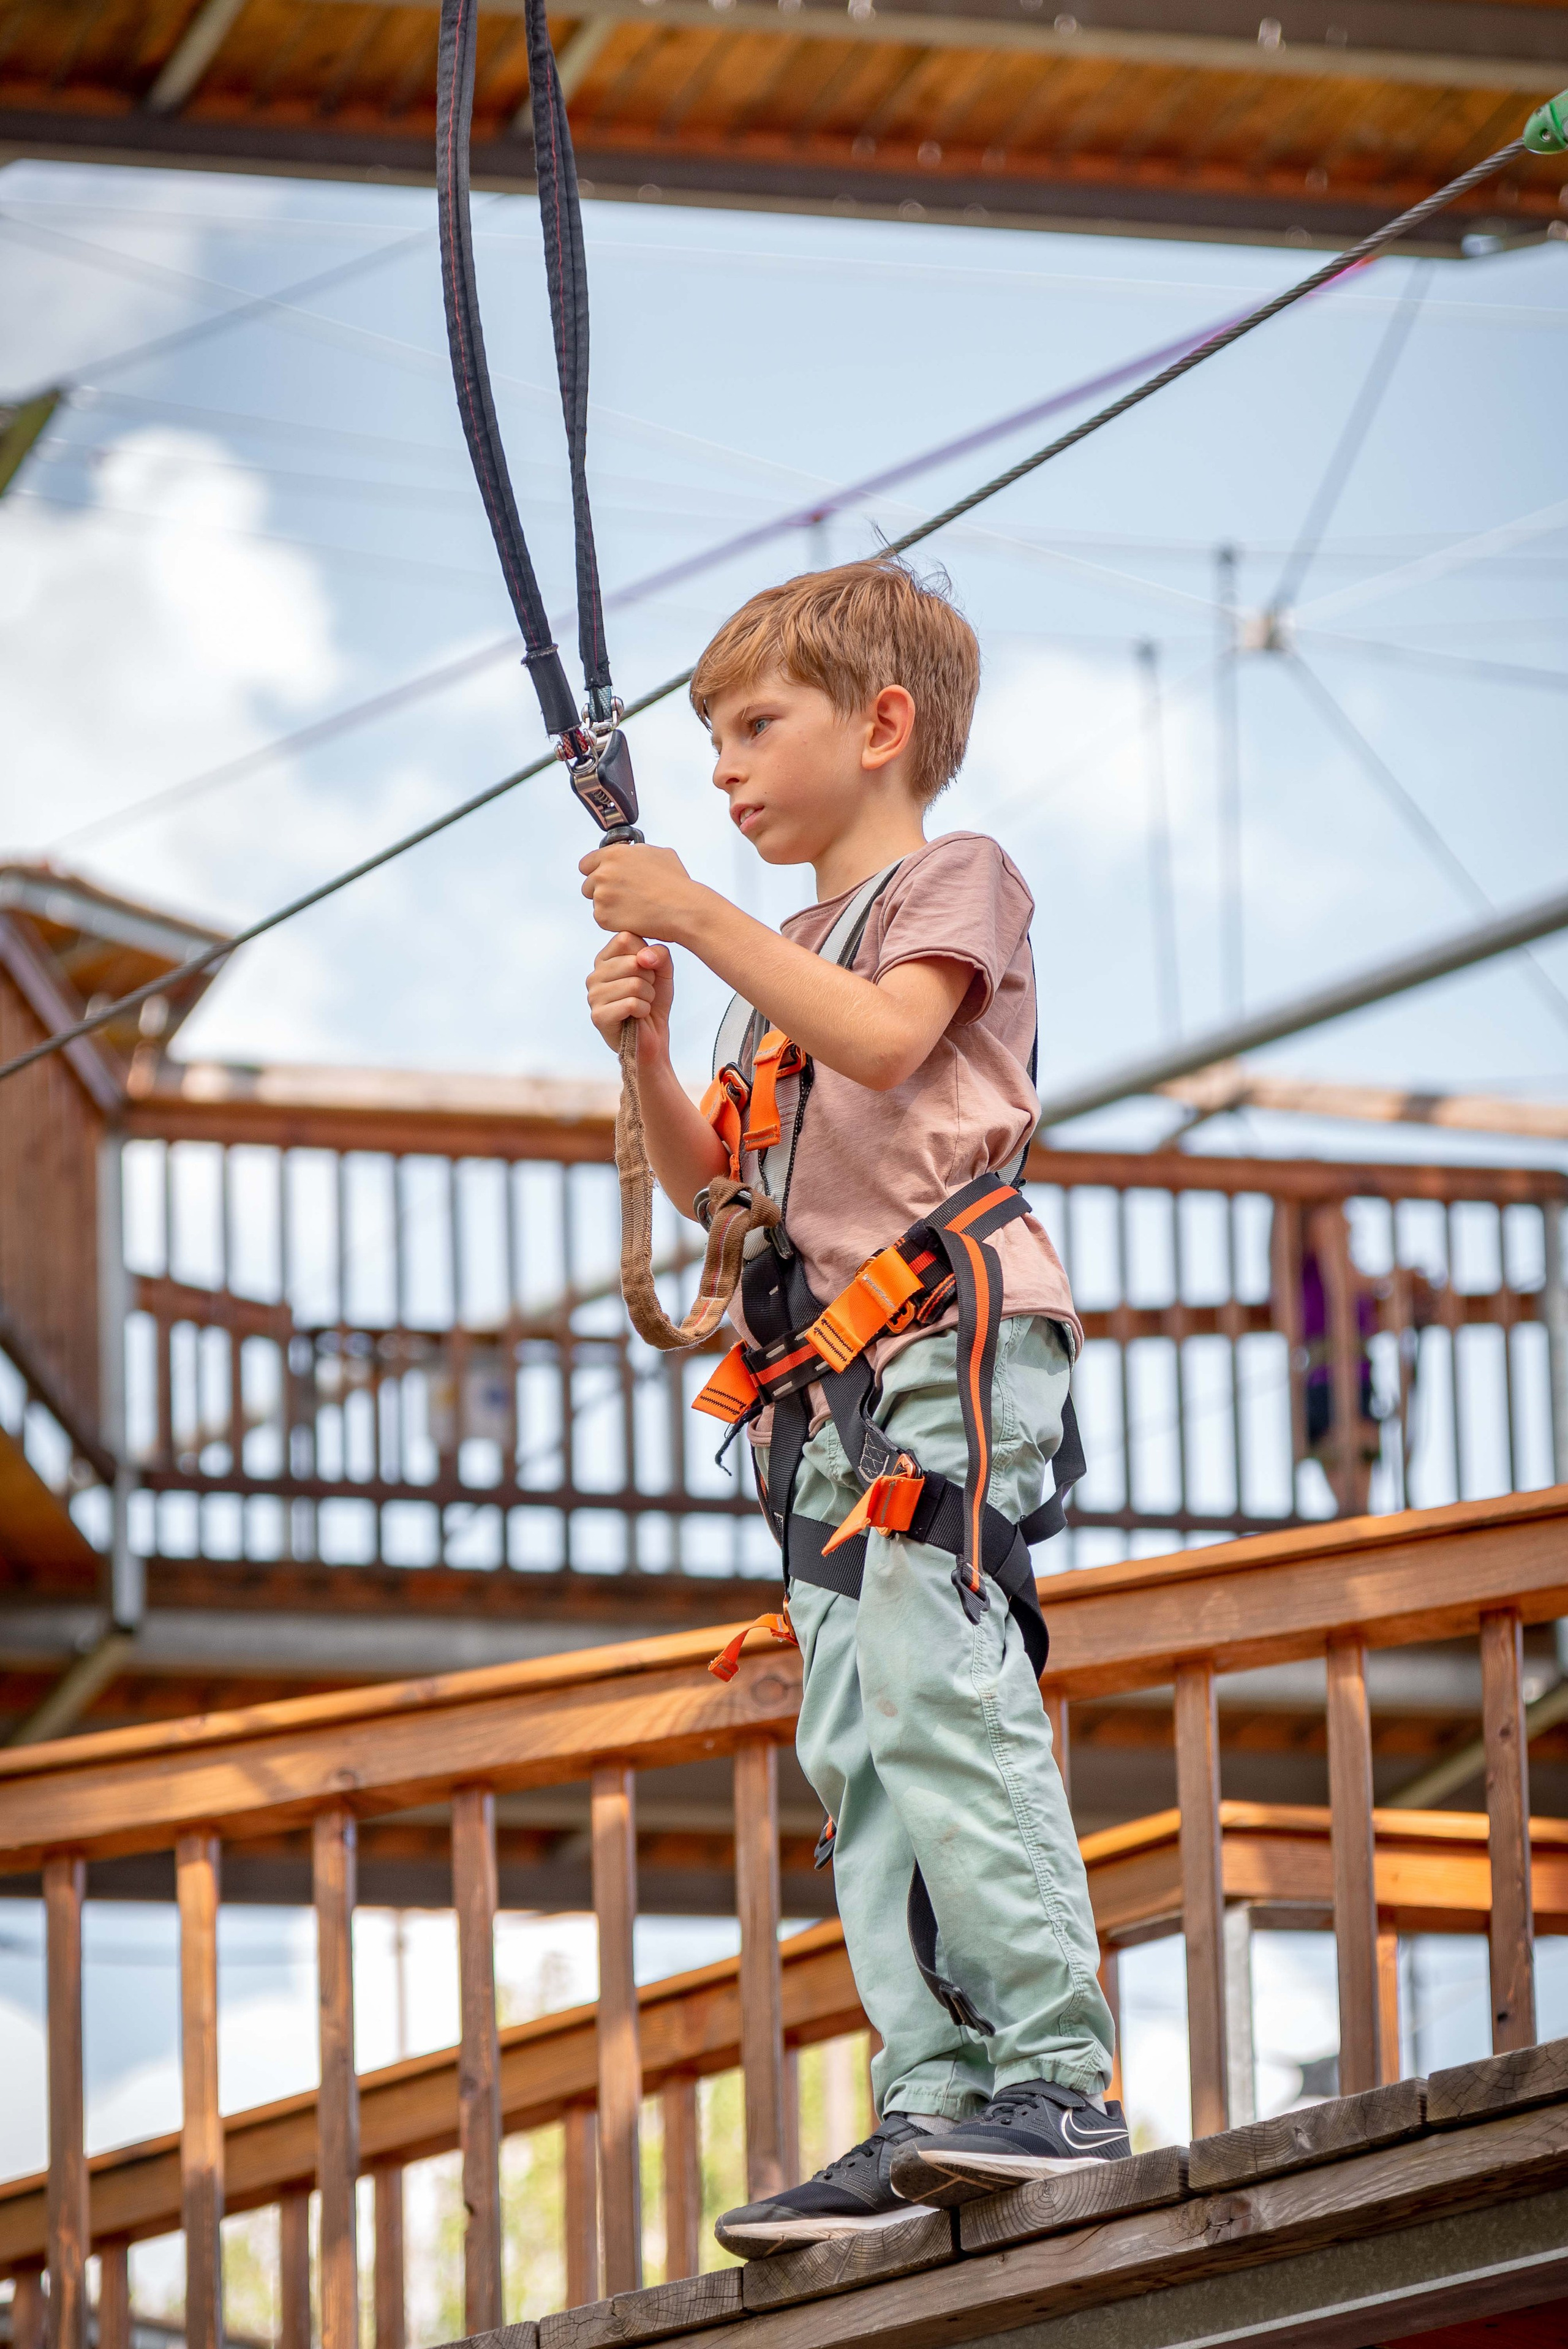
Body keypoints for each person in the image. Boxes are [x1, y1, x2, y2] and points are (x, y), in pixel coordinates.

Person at [581, 558, 1126, 2256]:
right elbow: (717, 1196)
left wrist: (691, 917)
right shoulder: (770, 965)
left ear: (883, 726)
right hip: (824, 1389)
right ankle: (934, 2088)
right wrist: (653, 1054)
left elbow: (892, 1046)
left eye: (758, 726)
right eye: (715, 737)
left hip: (939, 1343)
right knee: (857, 1738)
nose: (727, 768)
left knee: (941, 1681)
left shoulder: (949, 880)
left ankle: (1054, 2070)